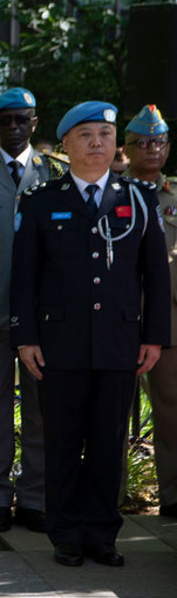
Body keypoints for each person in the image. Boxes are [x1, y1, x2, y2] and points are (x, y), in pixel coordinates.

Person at [11, 101, 169, 567]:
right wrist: (25, 337)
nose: (96, 142)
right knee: (62, 441)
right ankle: (65, 533)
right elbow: (26, 277)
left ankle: (102, 533)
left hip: (120, 344)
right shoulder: (42, 200)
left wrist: (154, 336)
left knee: (107, 442)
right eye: (85, 135)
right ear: (65, 145)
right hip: (60, 343)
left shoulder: (137, 199)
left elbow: (155, 276)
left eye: (104, 133)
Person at [0, 87, 67, 535]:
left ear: (34, 123)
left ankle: (34, 497)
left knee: (42, 407)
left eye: (21, 120)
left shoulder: (56, 172)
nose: (13, 128)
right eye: (4, 121)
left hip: (42, 315)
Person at [125, 105, 177, 519]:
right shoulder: (111, 191)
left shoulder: (175, 197)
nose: (152, 149)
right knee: (108, 412)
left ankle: (172, 496)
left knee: (171, 409)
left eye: (158, 142)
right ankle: (111, 494)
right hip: (116, 319)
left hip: (169, 322)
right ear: (127, 149)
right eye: (143, 143)